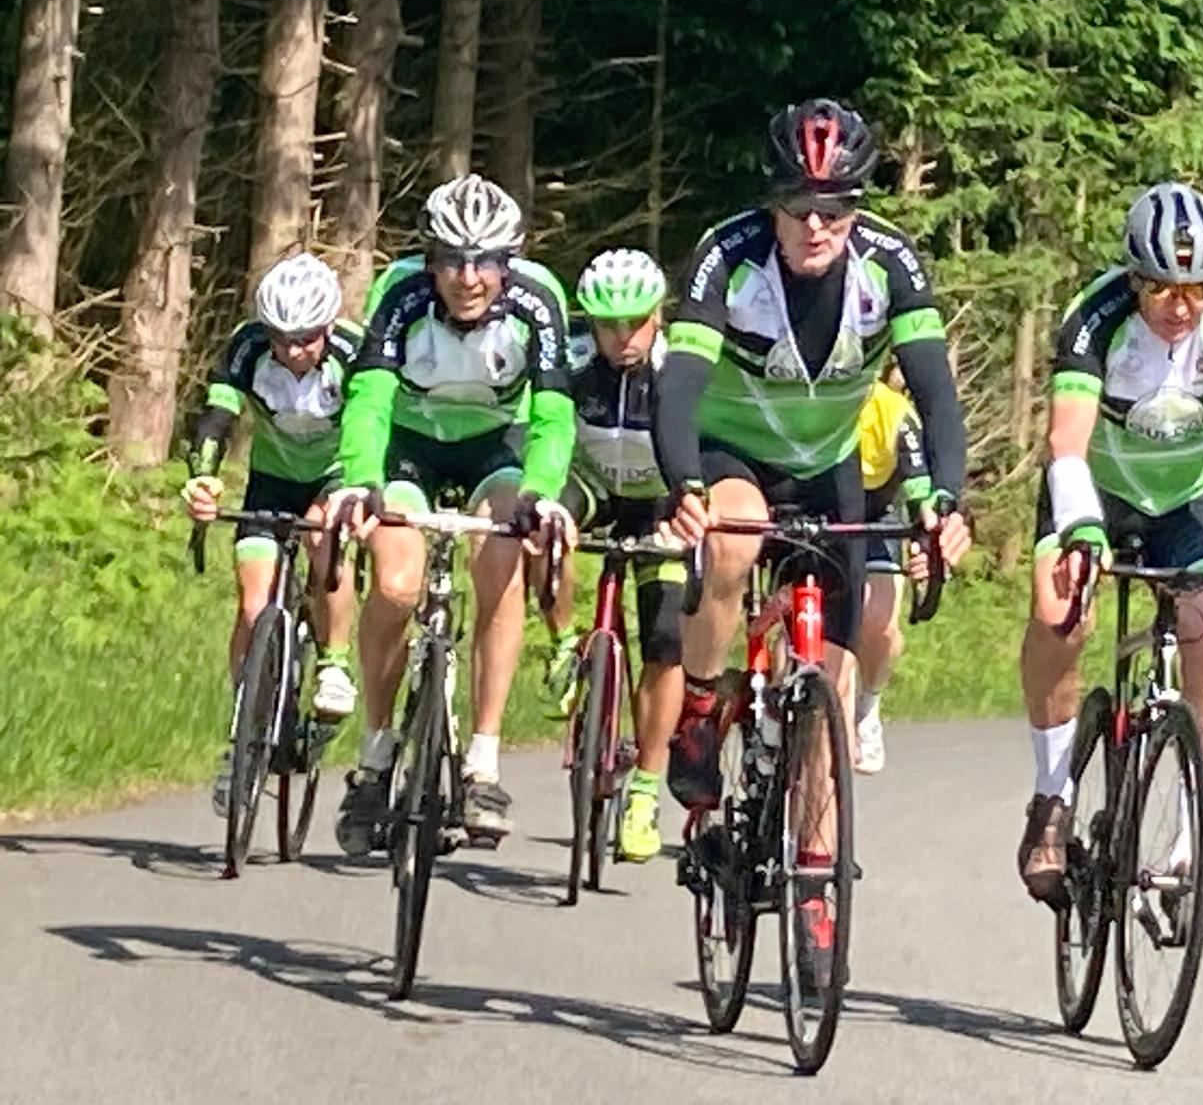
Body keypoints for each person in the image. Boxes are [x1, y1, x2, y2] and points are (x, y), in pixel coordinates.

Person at [653, 98, 972, 985]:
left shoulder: (891, 265)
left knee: (832, 680)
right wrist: (683, 484)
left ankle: (818, 872)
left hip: (830, 465)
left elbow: (936, 394)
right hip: (732, 450)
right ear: (773, 206)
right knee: (735, 540)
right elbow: (679, 386)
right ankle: (702, 702)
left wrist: (946, 500)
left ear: (857, 209)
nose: (817, 225)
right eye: (799, 207)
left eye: (836, 208)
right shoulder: (728, 257)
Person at [1017, 181, 1203, 908]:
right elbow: (1066, 442)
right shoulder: (1096, 318)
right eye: (1163, 289)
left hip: (1186, 501)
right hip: (1096, 492)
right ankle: (1052, 794)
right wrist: (1081, 525)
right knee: (1061, 616)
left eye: (1199, 289)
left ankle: (1190, 852)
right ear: (1134, 278)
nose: (1182, 307)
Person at [326, 173, 576, 851]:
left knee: (502, 562)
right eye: (452, 261)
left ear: (509, 261)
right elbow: (369, 399)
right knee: (396, 585)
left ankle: (483, 764)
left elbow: (554, 414)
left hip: (496, 448)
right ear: (430, 259)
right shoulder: (400, 292)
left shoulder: (538, 300)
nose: (469, 278)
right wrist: (361, 480)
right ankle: (376, 754)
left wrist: (541, 490)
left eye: (486, 261)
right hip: (411, 449)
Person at [181, 253, 361, 816]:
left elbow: (374, 425)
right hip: (271, 480)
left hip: (335, 475)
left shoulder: (354, 353)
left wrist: (361, 491)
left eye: (306, 338)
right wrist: (203, 477)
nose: (294, 350)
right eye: (282, 338)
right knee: (253, 603)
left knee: (323, 542)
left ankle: (333, 662)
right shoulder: (248, 346)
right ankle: (242, 734)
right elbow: (217, 415)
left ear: (327, 327)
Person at [545, 247, 684, 862]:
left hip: (659, 502)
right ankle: (561, 648)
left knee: (665, 641)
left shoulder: (680, 368)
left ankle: (646, 791)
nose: (622, 337)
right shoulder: (573, 361)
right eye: (608, 324)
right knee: (543, 523)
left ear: (658, 316)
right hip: (596, 488)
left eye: (635, 322)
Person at [854, 374, 934, 774]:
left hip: (876, 510)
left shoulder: (894, 410)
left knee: (879, 624)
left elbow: (923, 494)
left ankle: (866, 708)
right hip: (811, 498)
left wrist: (926, 543)